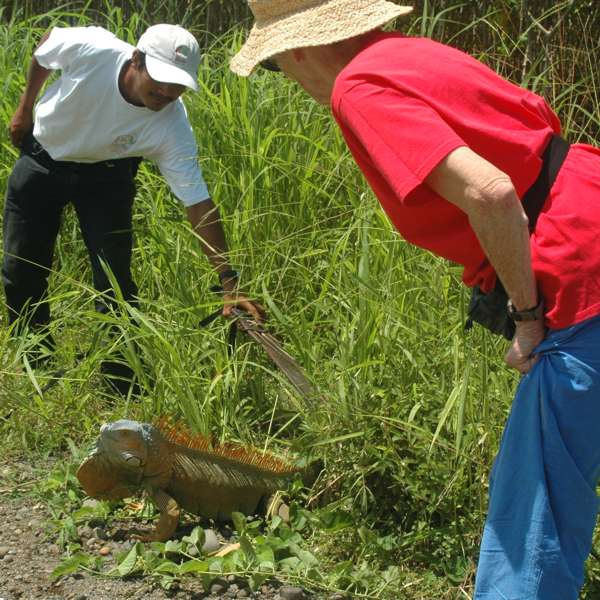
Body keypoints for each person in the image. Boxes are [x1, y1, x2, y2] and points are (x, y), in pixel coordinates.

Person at [230, 1, 600, 598]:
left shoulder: (358, 87)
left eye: (275, 67)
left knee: (533, 517)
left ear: (295, 51)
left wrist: (527, 317)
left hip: (575, 268)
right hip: (590, 198)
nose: (289, 82)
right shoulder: (412, 52)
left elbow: (490, 191)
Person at [3, 23, 263, 391]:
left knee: (114, 279)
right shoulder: (92, 49)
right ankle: (37, 362)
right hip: (43, 160)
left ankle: (121, 380)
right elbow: (45, 47)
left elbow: (198, 202)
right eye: (160, 80)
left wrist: (228, 281)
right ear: (136, 60)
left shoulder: (172, 124)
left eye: (178, 86)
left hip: (108, 178)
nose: (167, 93)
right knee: (20, 267)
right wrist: (25, 106)